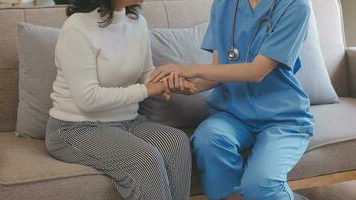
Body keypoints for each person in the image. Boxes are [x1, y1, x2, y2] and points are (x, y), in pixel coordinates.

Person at [149, 0, 315, 199]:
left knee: (261, 184)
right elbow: (219, 69)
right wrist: (189, 87)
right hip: (232, 114)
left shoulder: (295, 6)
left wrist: (190, 68)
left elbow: (256, 71)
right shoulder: (224, 4)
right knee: (208, 139)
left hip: (282, 118)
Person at [44, 0, 196, 199]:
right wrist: (147, 90)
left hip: (128, 121)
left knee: (176, 142)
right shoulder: (77, 28)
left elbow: (145, 73)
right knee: (145, 160)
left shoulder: (137, 23)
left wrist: (169, 82)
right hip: (75, 128)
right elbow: (87, 99)